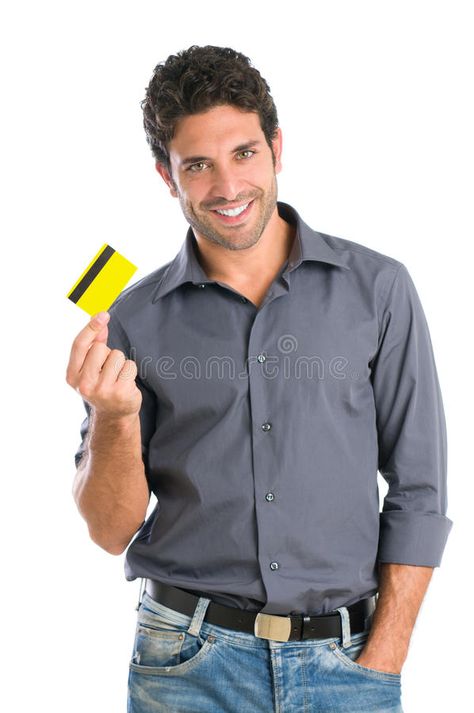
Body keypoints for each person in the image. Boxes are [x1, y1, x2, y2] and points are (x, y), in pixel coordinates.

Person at [66, 45, 453, 713]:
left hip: (347, 663)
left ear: (277, 147)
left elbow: (420, 488)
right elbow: (109, 529)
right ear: (167, 175)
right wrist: (115, 417)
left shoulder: (379, 289)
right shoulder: (129, 317)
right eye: (198, 165)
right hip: (185, 667)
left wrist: (383, 656)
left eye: (244, 153)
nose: (227, 186)